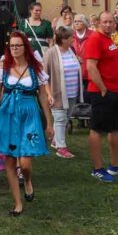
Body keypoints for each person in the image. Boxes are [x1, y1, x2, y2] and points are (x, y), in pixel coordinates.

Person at [0, 32, 53, 216]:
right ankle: (17, 204)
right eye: (12, 46)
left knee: (25, 163)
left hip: (29, 114)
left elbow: (42, 96)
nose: (14, 48)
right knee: (9, 159)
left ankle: (28, 180)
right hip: (7, 114)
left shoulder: (35, 67)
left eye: (18, 45)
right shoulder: (4, 66)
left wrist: (49, 122)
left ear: (25, 47)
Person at [83, 12, 118, 183]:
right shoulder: (95, 39)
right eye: (104, 22)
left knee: (116, 127)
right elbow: (91, 67)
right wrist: (103, 88)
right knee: (97, 129)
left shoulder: (109, 39)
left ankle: (115, 165)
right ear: (99, 22)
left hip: (115, 90)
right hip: (101, 92)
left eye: (111, 22)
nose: (108, 25)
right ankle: (97, 168)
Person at [41, 26, 81, 159]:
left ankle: (55, 140)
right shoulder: (50, 53)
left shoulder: (71, 50)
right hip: (57, 93)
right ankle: (61, 148)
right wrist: (49, 93)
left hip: (72, 92)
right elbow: (43, 76)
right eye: (71, 37)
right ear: (63, 39)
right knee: (60, 119)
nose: (73, 39)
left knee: (66, 118)